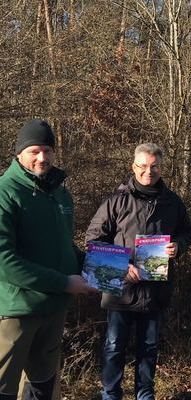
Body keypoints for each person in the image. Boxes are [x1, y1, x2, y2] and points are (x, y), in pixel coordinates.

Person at [85, 143, 191, 400]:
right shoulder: (116, 201)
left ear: (161, 167)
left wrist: (178, 246)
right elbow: (93, 240)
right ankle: (110, 394)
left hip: (156, 289)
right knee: (114, 347)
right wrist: (121, 268)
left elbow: (187, 232)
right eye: (143, 166)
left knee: (149, 347)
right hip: (120, 290)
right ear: (133, 166)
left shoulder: (172, 202)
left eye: (154, 166)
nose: (149, 171)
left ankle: (145, 395)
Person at [0, 119, 93, 400]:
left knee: (42, 383)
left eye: (48, 150)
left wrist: (103, 268)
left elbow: (66, 247)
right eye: (34, 151)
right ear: (19, 154)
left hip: (53, 308)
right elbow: (4, 261)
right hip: (17, 310)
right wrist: (64, 282)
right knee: (4, 387)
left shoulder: (60, 193)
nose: (42, 157)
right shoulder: (6, 192)